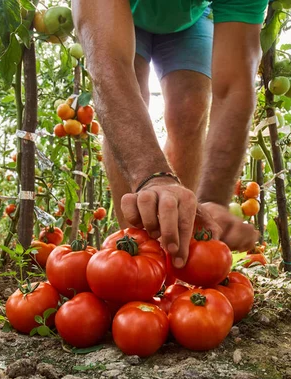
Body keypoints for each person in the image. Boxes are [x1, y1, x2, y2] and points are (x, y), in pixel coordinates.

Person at [72, 0, 267, 268]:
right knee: (130, 97)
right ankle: (134, 251)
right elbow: (108, 63)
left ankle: (177, 250)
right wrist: (152, 176)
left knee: (191, 107)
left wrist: (212, 201)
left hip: (190, 20)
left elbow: (234, 86)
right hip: (121, 10)